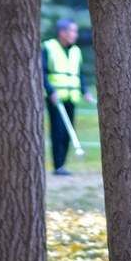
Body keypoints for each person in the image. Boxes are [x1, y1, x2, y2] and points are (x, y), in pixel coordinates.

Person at [43, 18, 92, 176]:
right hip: (55, 98)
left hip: (72, 96)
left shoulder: (76, 51)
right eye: (72, 31)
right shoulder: (48, 47)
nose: (75, 35)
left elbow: (80, 74)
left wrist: (85, 91)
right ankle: (58, 166)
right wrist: (50, 91)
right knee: (57, 131)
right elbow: (42, 72)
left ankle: (62, 165)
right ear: (62, 33)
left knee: (68, 132)